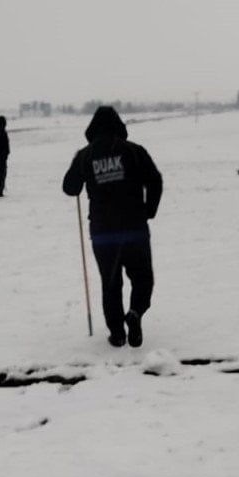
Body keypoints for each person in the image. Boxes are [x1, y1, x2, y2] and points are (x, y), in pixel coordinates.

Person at [63, 106, 163, 348]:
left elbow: (70, 188)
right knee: (142, 278)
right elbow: (155, 180)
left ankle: (117, 333)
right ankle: (136, 312)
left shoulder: (85, 155)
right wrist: (149, 210)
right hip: (135, 229)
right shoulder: (134, 151)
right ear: (119, 126)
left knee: (110, 283)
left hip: (103, 232)